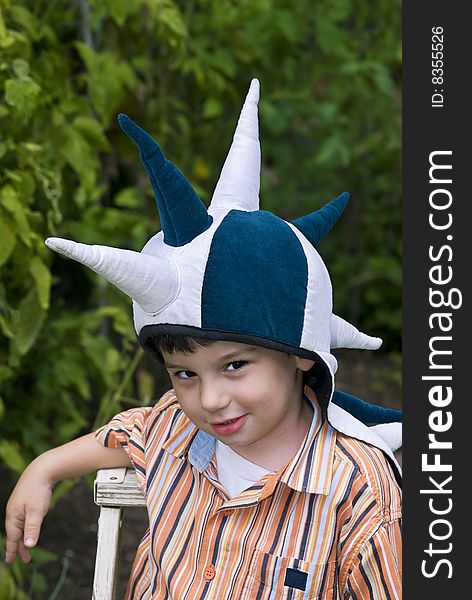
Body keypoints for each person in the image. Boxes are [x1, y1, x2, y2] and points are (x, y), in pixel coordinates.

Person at [5, 79, 401, 598]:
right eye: (185, 373)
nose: (209, 400)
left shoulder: (356, 487)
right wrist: (44, 467)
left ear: (301, 354)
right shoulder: (174, 428)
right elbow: (124, 434)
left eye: (235, 365)